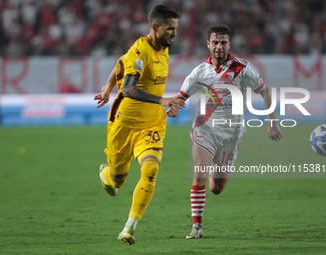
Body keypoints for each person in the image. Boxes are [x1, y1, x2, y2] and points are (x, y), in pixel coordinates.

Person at [167, 24, 283, 239]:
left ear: (229, 44)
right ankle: (197, 227)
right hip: (205, 128)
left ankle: (214, 167)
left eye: (223, 43)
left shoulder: (242, 68)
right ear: (208, 44)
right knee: (199, 173)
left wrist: (272, 122)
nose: (219, 46)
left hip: (232, 133)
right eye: (215, 42)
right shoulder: (199, 71)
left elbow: (265, 91)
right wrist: (174, 107)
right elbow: (181, 96)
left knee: (216, 188)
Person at [94, 5, 183, 245]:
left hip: (152, 124)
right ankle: (106, 175)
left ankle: (129, 228)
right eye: (170, 29)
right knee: (117, 180)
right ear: (155, 27)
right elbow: (130, 88)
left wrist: (107, 85)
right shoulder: (140, 50)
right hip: (123, 125)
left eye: (176, 29)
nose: (175, 34)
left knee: (151, 170)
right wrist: (163, 100)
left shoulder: (163, 48)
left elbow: (120, 63)